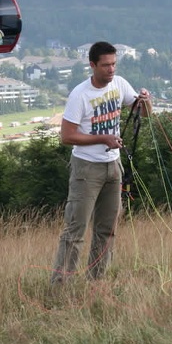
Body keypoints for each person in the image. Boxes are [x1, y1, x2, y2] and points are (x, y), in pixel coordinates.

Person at [51, 41, 152, 283]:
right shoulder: (80, 95)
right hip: (86, 168)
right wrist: (102, 138)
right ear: (92, 65)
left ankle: (96, 282)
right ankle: (60, 286)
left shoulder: (119, 84)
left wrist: (146, 100)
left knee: (107, 230)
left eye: (114, 64)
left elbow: (144, 113)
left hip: (113, 167)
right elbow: (67, 136)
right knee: (75, 231)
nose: (111, 70)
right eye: (106, 65)